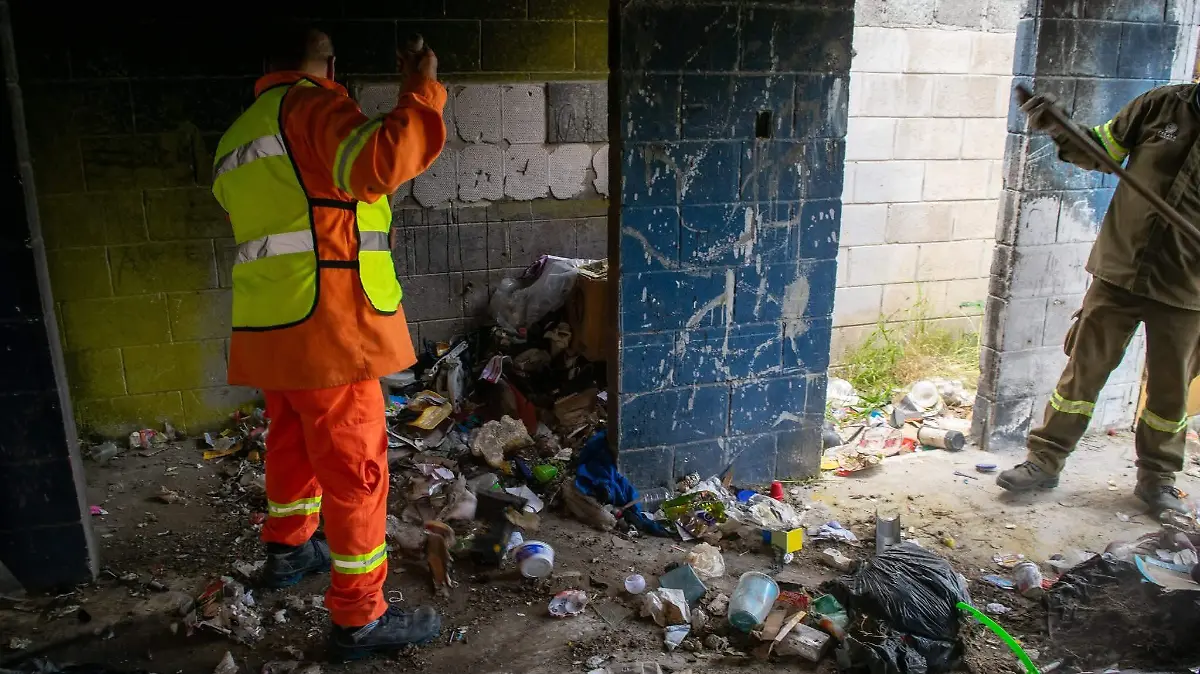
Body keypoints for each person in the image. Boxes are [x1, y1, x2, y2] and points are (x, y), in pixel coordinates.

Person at [210, 27, 446, 659]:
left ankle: (288, 551)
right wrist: (418, 90)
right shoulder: (312, 107)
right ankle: (358, 619)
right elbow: (377, 166)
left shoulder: (241, 132)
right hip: (332, 329)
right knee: (356, 476)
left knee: (291, 445)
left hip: (273, 329)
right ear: (329, 64)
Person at [996, 84, 1200, 515]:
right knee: (1082, 375)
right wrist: (1062, 129)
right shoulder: (1160, 105)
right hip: (1120, 268)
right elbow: (1098, 150)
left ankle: (1157, 480)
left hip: (1187, 287)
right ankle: (1043, 461)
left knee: (1170, 392)